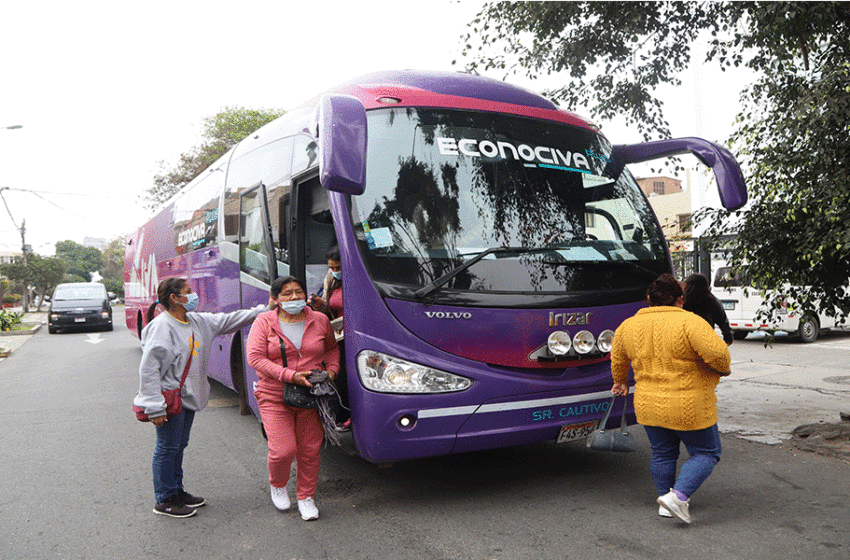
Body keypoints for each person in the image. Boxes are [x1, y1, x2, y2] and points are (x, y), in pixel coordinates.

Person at [134, 277, 274, 518]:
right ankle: (164, 499)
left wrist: (265, 309)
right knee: (167, 448)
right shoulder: (162, 327)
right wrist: (154, 407)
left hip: (187, 397)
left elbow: (230, 320)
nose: (194, 294)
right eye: (188, 292)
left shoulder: (196, 321)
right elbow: (149, 370)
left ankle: (176, 491)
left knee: (179, 445)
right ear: (174, 298)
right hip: (169, 400)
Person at [610, 273, 731, 524]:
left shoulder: (628, 326)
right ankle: (678, 497)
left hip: (648, 404)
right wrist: (722, 368)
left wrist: (620, 382)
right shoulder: (691, 323)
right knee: (706, 452)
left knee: (663, 453)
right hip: (689, 404)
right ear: (680, 299)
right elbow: (719, 355)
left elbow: (618, 359)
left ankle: (666, 503)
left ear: (648, 299)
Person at [246, 275, 340, 521]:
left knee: (310, 450)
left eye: (298, 292)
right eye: (286, 293)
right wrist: (291, 376)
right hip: (274, 396)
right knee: (283, 450)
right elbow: (255, 358)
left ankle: (306, 497)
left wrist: (331, 370)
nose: (294, 297)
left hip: (313, 396)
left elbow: (331, 348)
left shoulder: (319, 320)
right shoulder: (264, 322)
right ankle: (278, 485)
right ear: (274, 299)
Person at [683, 273, 734, 345]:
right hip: (706, 340)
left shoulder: (682, 301)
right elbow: (722, 320)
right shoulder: (712, 301)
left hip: (685, 339)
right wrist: (728, 336)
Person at [309, 247, 343, 320]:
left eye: (338, 268)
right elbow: (328, 309)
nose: (335, 271)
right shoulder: (331, 279)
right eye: (331, 268)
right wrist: (319, 304)